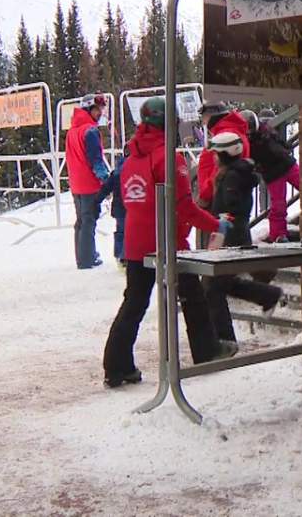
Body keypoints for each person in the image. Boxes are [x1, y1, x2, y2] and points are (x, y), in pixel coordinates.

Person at [101, 97, 237, 388]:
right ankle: (207, 349)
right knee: (192, 295)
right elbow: (184, 206)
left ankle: (117, 364)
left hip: (137, 243)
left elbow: (130, 201)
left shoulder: (131, 158)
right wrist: (217, 224)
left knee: (134, 302)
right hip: (166, 242)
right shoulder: (169, 158)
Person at [203, 131, 283, 343]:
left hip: (228, 234)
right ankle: (267, 294)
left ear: (225, 155)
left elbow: (230, 205)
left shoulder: (232, 176)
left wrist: (218, 223)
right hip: (231, 232)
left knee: (213, 287)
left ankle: (224, 339)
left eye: (216, 154)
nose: (213, 157)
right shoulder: (238, 173)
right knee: (222, 284)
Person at [65, 93, 109, 269]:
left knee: (81, 221)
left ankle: (82, 255)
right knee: (89, 220)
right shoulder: (90, 131)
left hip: (76, 183)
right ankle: (87, 258)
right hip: (89, 183)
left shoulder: (72, 131)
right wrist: (105, 179)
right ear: (89, 109)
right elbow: (95, 159)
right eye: (97, 109)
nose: (100, 113)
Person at [245, 109, 302, 242]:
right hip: (274, 172)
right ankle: (278, 234)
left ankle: (278, 234)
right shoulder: (253, 139)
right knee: (279, 205)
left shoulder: (265, 132)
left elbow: (280, 142)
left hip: (285, 165)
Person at [195, 100, 250, 210]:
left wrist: (205, 195)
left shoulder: (225, 136)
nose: (204, 122)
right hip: (225, 193)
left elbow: (220, 170)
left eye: (204, 118)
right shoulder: (232, 131)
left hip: (218, 197)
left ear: (212, 116)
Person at [95, 144, 128, 263]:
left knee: (121, 232)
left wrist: (97, 200)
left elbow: (106, 188)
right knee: (133, 232)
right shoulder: (139, 168)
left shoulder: (117, 172)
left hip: (119, 209)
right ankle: (132, 255)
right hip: (133, 207)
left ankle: (120, 255)